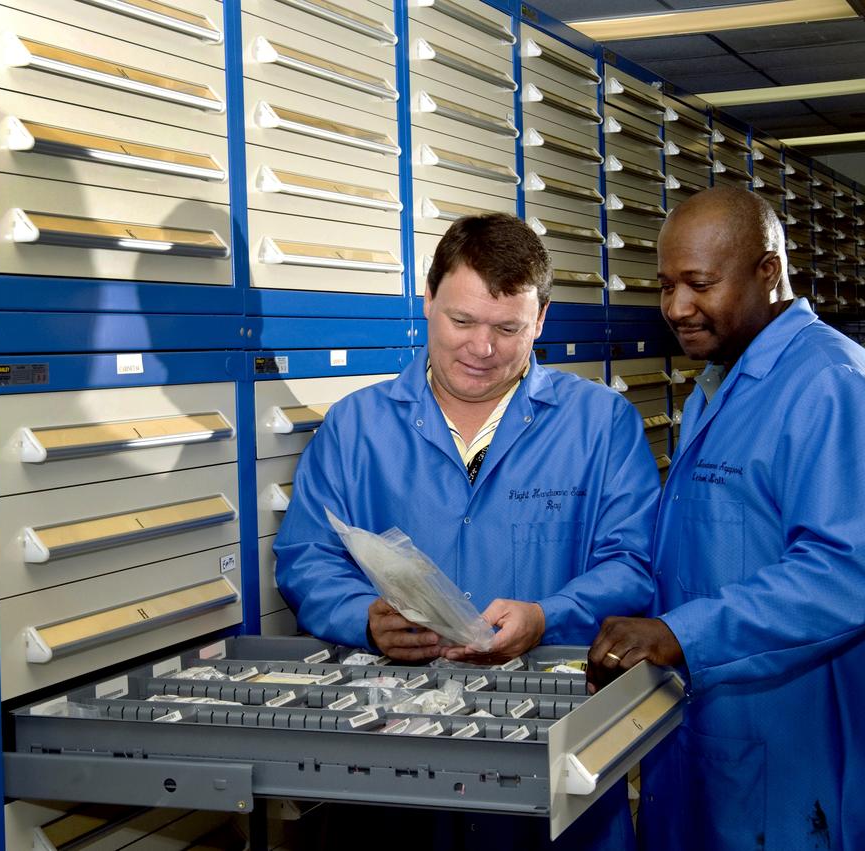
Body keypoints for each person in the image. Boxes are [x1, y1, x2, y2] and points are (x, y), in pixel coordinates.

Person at [587, 186, 865, 850]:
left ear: (768, 272)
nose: (676, 307)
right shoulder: (717, 385)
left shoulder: (833, 386)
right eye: (664, 286)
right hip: (723, 727)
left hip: (811, 754)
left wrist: (677, 634)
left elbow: (845, 574)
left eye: (699, 283)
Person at [274, 213, 661, 849]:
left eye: (508, 328)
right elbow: (306, 558)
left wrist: (549, 614)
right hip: (392, 747)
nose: (482, 348)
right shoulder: (354, 428)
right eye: (461, 321)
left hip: (552, 738)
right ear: (427, 301)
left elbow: (634, 564)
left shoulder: (601, 425)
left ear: (540, 321)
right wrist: (363, 616)